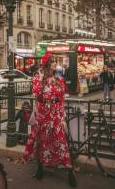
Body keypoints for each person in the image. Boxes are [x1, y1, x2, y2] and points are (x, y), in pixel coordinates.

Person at [23, 53, 77, 187]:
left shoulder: (59, 79)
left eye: (55, 61)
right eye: (52, 61)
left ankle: (70, 171)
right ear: (47, 64)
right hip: (42, 115)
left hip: (56, 114)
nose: (55, 63)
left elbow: (62, 98)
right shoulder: (38, 77)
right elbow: (36, 92)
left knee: (61, 142)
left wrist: (62, 116)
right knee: (41, 141)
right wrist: (41, 79)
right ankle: (40, 168)